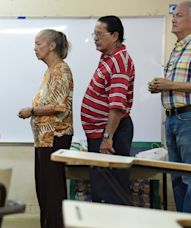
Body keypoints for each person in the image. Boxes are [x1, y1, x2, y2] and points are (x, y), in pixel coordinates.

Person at [148, 1, 191, 214]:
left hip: (190, 118)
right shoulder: (178, 48)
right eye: (173, 15)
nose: (173, 19)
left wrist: (171, 85)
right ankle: (182, 221)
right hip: (172, 118)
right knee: (176, 177)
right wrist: (159, 86)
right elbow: (178, 83)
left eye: (178, 15)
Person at [18, 29, 73, 228]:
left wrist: (32, 110)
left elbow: (60, 106)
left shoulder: (60, 69)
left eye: (39, 43)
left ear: (52, 46)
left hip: (54, 137)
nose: (35, 48)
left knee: (53, 192)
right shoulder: (50, 70)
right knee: (44, 190)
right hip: (44, 139)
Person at [80, 16, 135, 205]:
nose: (95, 38)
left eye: (99, 34)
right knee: (101, 188)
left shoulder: (119, 61)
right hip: (101, 132)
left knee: (111, 191)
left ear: (114, 36)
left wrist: (107, 137)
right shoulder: (108, 57)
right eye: (94, 34)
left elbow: (117, 105)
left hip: (111, 134)